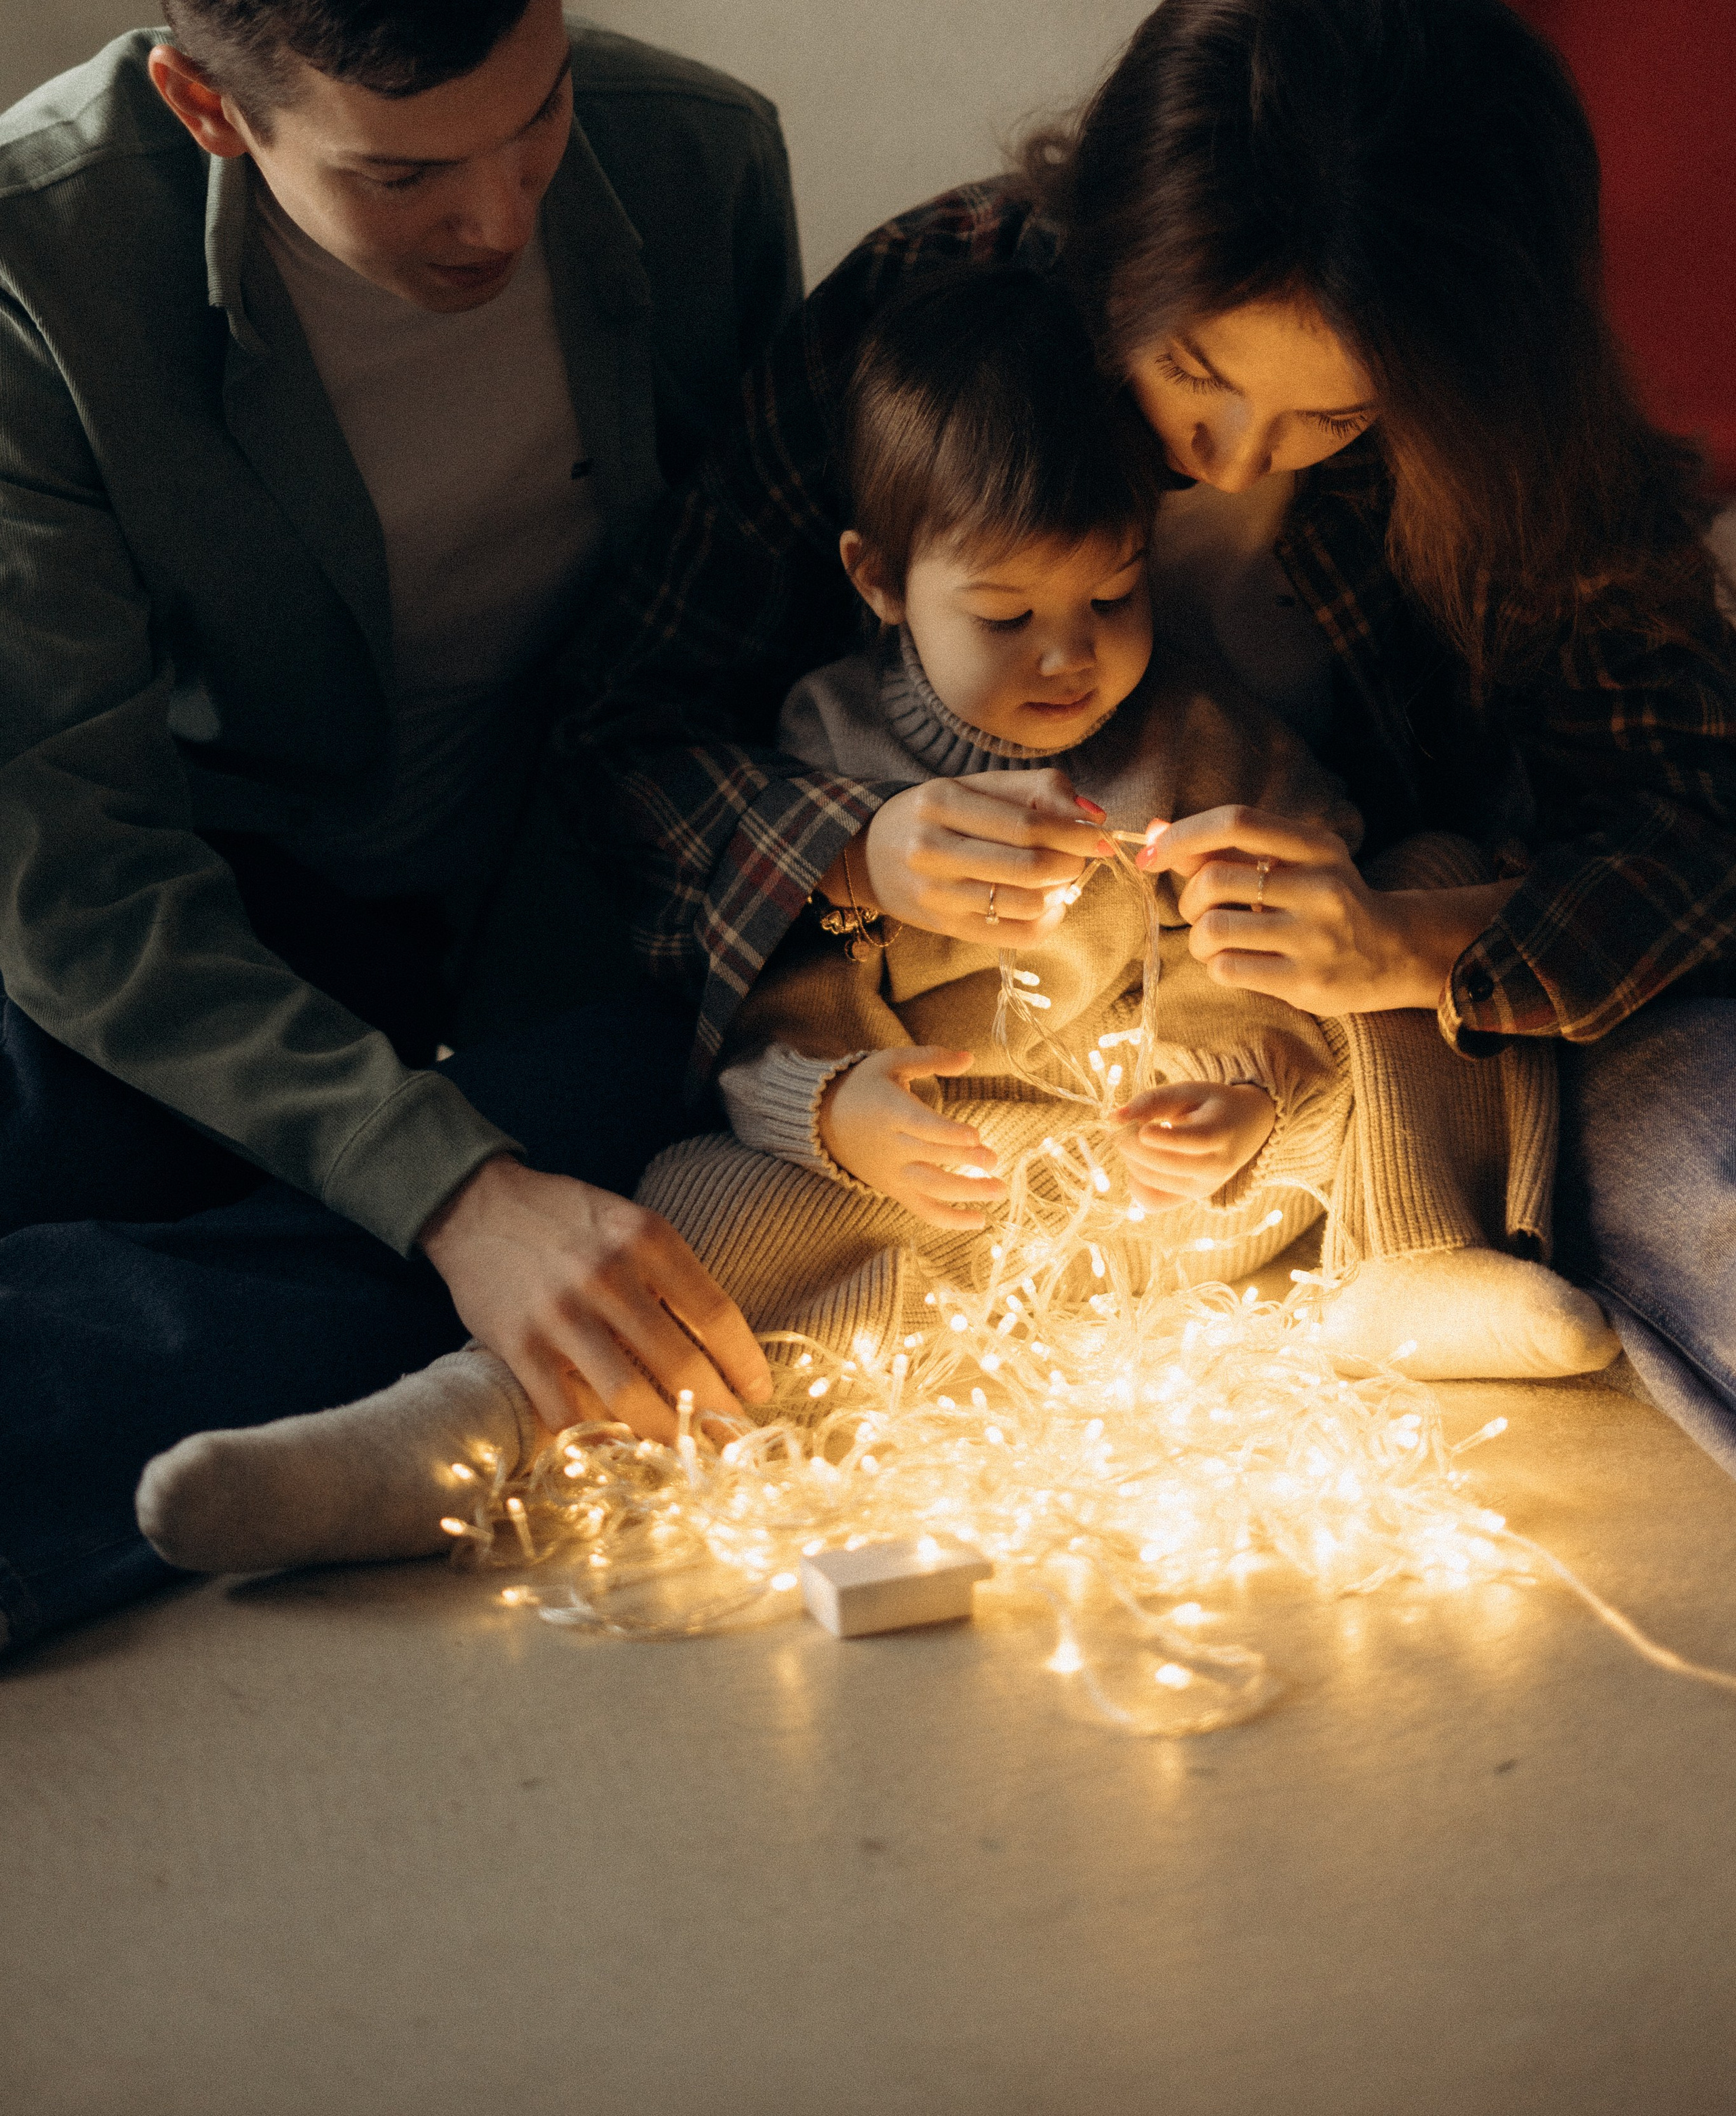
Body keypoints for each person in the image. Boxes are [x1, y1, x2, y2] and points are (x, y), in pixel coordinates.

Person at [130, 264, 1611, 1578]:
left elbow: (1298, 954)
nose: (1067, 660)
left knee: (1421, 909)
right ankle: (461, 1426)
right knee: (707, 1207)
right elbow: (753, 1039)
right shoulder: (831, 756)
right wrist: (836, 1114)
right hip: (934, 1192)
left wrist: (1239, 1084)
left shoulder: (1210, 744)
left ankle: (1406, 1261)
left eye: (1111, 599)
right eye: (1005, 615)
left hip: (1189, 1212)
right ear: (878, 584)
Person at [549, 0, 1736, 1474]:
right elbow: (620, 728)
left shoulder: (1502, 422)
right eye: (1192, 369)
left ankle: (1403, 1263)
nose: (1233, 457)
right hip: (984, 1089)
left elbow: (1693, 829)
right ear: (1116, 245)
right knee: (667, 1248)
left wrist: (1400, 942)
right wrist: (859, 848)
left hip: (1425, 1056)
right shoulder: (943, 312)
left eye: (1329, 415)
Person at [0, 0, 787, 1653]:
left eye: (537, 113)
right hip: (202, 914)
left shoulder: (701, 171)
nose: (500, 216)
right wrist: (449, 1191)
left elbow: (754, 647)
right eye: (405, 176)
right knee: (79, 1143)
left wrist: (485, 1197)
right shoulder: (35, 280)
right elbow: (77, 876)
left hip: (551, 905)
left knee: (598, 1246)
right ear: (207, 109)